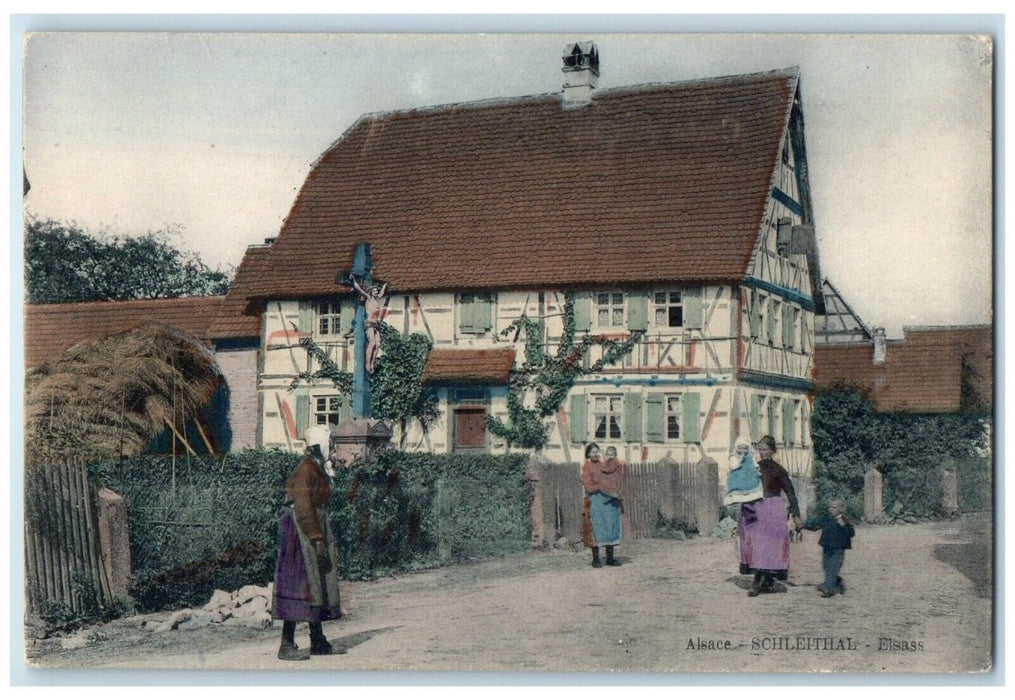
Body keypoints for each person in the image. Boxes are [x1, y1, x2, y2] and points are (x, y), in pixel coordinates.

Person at [270, 425, 344, 660]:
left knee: (317, 583)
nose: (333, 448)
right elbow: (302, 507)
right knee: (299, 583)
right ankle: (286, 644)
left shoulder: (317, 468)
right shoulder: (306, 469)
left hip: (311, 526)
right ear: (319, 445)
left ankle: (318, 640)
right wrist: (316, 537)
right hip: (300, 532)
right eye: (330, 443)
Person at [739, 435, 801, 596]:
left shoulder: (779, 470)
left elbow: (790, 493)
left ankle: (759, 581)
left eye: (765, 449)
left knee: (768, 546)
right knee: (756, 545)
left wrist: (796, 515)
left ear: (772, 451)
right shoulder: (753, 469)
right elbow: (745, 489)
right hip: (756, 509)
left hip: (772, 511)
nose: (761, 452)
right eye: (759, 449)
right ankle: (764, 579)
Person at [798, 498, 855, 597]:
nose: (831, 509)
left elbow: (851, 533)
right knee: (826, 566)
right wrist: (803, 525)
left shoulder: (845, 520)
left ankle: (828, 589)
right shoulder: (826, 518)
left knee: (833, 567)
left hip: (838, 549)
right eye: (829, 507)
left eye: (834, 507)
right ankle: (837, 582)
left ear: (841, 509)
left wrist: (843, 525)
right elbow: (815, 524)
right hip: (827, 547)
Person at [580, 443, 625, 567]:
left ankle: (610, 558)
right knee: (597, 528)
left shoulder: (604, 465)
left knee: (610, 527)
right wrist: (600, 486)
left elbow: (613, 474)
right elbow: (588, 485)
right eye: (592, 452)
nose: (595, 454)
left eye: (597, 452)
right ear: (588, 454)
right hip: (596, 500)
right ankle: (596, 559)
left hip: (609, 501)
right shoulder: (587, 467)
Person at [724, 438, 763, 506]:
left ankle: (751, 500)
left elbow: (754, 464)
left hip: (749, 476)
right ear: (736, 448)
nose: (743, 451)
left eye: (745, 449)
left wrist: (757, 469)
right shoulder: (734, 457)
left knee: (752, 489)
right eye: (740, 448)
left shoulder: (750, 456)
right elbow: (733, 466)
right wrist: (740, 460)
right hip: (738, 477)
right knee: (738, 490)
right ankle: (737, 501)